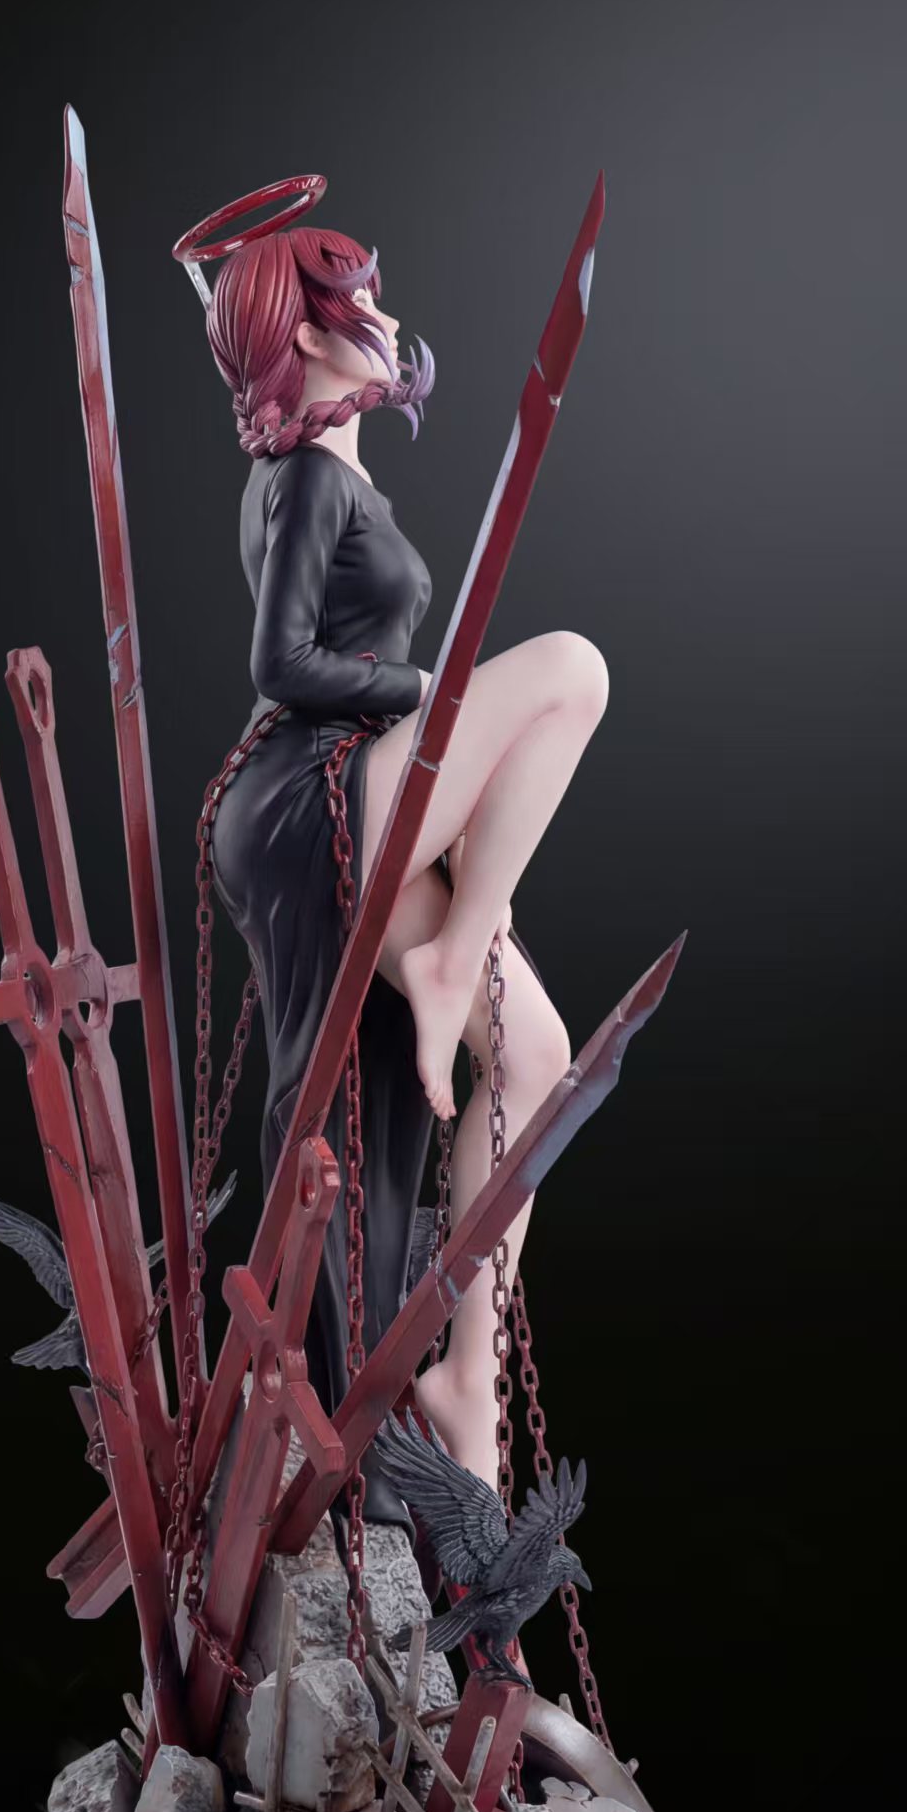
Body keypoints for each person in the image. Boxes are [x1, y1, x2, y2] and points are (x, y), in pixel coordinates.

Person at [202, 219, 609, 1504]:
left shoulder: (332, 466)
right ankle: (450, 953)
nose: (385, 313)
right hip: (311, 789)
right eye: (362, 299)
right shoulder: (304, 479)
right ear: (309, 331)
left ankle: (465, 1376)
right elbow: (278, 664)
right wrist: (421, 689)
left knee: (535, 1056)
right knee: (568, 671)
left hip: (361, 785)